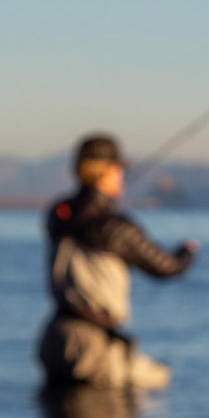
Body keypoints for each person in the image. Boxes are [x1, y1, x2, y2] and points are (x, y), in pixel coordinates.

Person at [38, 133, 197, 391]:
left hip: (55, 337)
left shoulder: (59, 214)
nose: (122, 175)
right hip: (92, 345)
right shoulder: (114, 227)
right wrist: (187, 252)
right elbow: (166, 267)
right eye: (119, 169)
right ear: (107, 172)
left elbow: (80, 217)